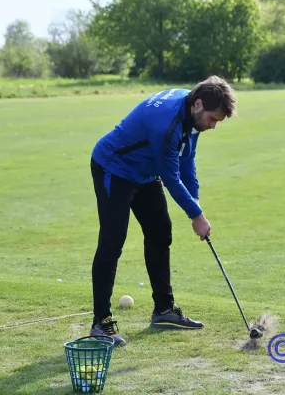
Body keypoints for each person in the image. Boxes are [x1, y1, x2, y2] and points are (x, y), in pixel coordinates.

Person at [89, 75, 237, 346]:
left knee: (160, 233)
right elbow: (171, 177)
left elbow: (187, 161)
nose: (213, 126)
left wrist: (196, 203)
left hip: (144, 173)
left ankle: (164, 310)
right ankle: (101, 322)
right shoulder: (166, 123)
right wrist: (196, 216)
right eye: (213, 119)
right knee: (112, 242)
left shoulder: (191, 112)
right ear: (199, 104)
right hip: (114, 168)